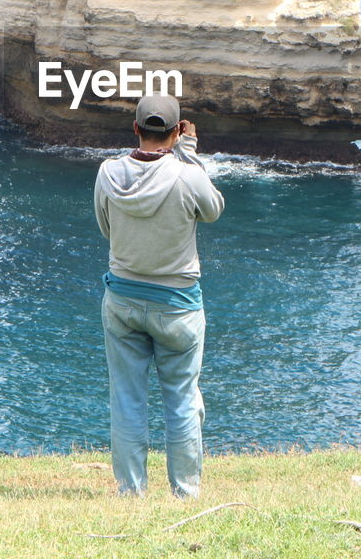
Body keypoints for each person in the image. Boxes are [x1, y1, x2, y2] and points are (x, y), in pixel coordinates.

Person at [93, 93, 225, 498]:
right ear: (175, 131)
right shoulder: (188, 173)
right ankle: (185, 493)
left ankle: (131, 492)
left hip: (123, 301)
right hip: (178, 306)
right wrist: (188, 153)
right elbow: (213, 209)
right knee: (182, 400)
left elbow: (105, 229)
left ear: (136, 129)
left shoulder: (108, 173)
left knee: (127, 399)